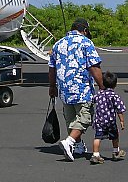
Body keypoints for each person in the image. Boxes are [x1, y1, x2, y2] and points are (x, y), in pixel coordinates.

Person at [48, 18, 105, 162]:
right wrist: (102, 86)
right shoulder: (86, 43)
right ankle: (69, 142)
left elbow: (52, 67)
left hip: (64, 90)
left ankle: (78, 146)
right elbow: (94, 67)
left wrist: (52, 86)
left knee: (71, 119)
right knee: (85, 117)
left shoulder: (58, 44)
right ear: (85, 30)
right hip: (82, 89)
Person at [90, 71, 126, 164]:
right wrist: (121, 120)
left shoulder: (99, 94)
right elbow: (119, 109)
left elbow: (92, 100)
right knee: (115, 136)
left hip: (99, 121)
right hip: (110, 121)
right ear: (115, 85)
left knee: (97, 137)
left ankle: (95, 154)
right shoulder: (114, 96)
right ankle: (115, 151)